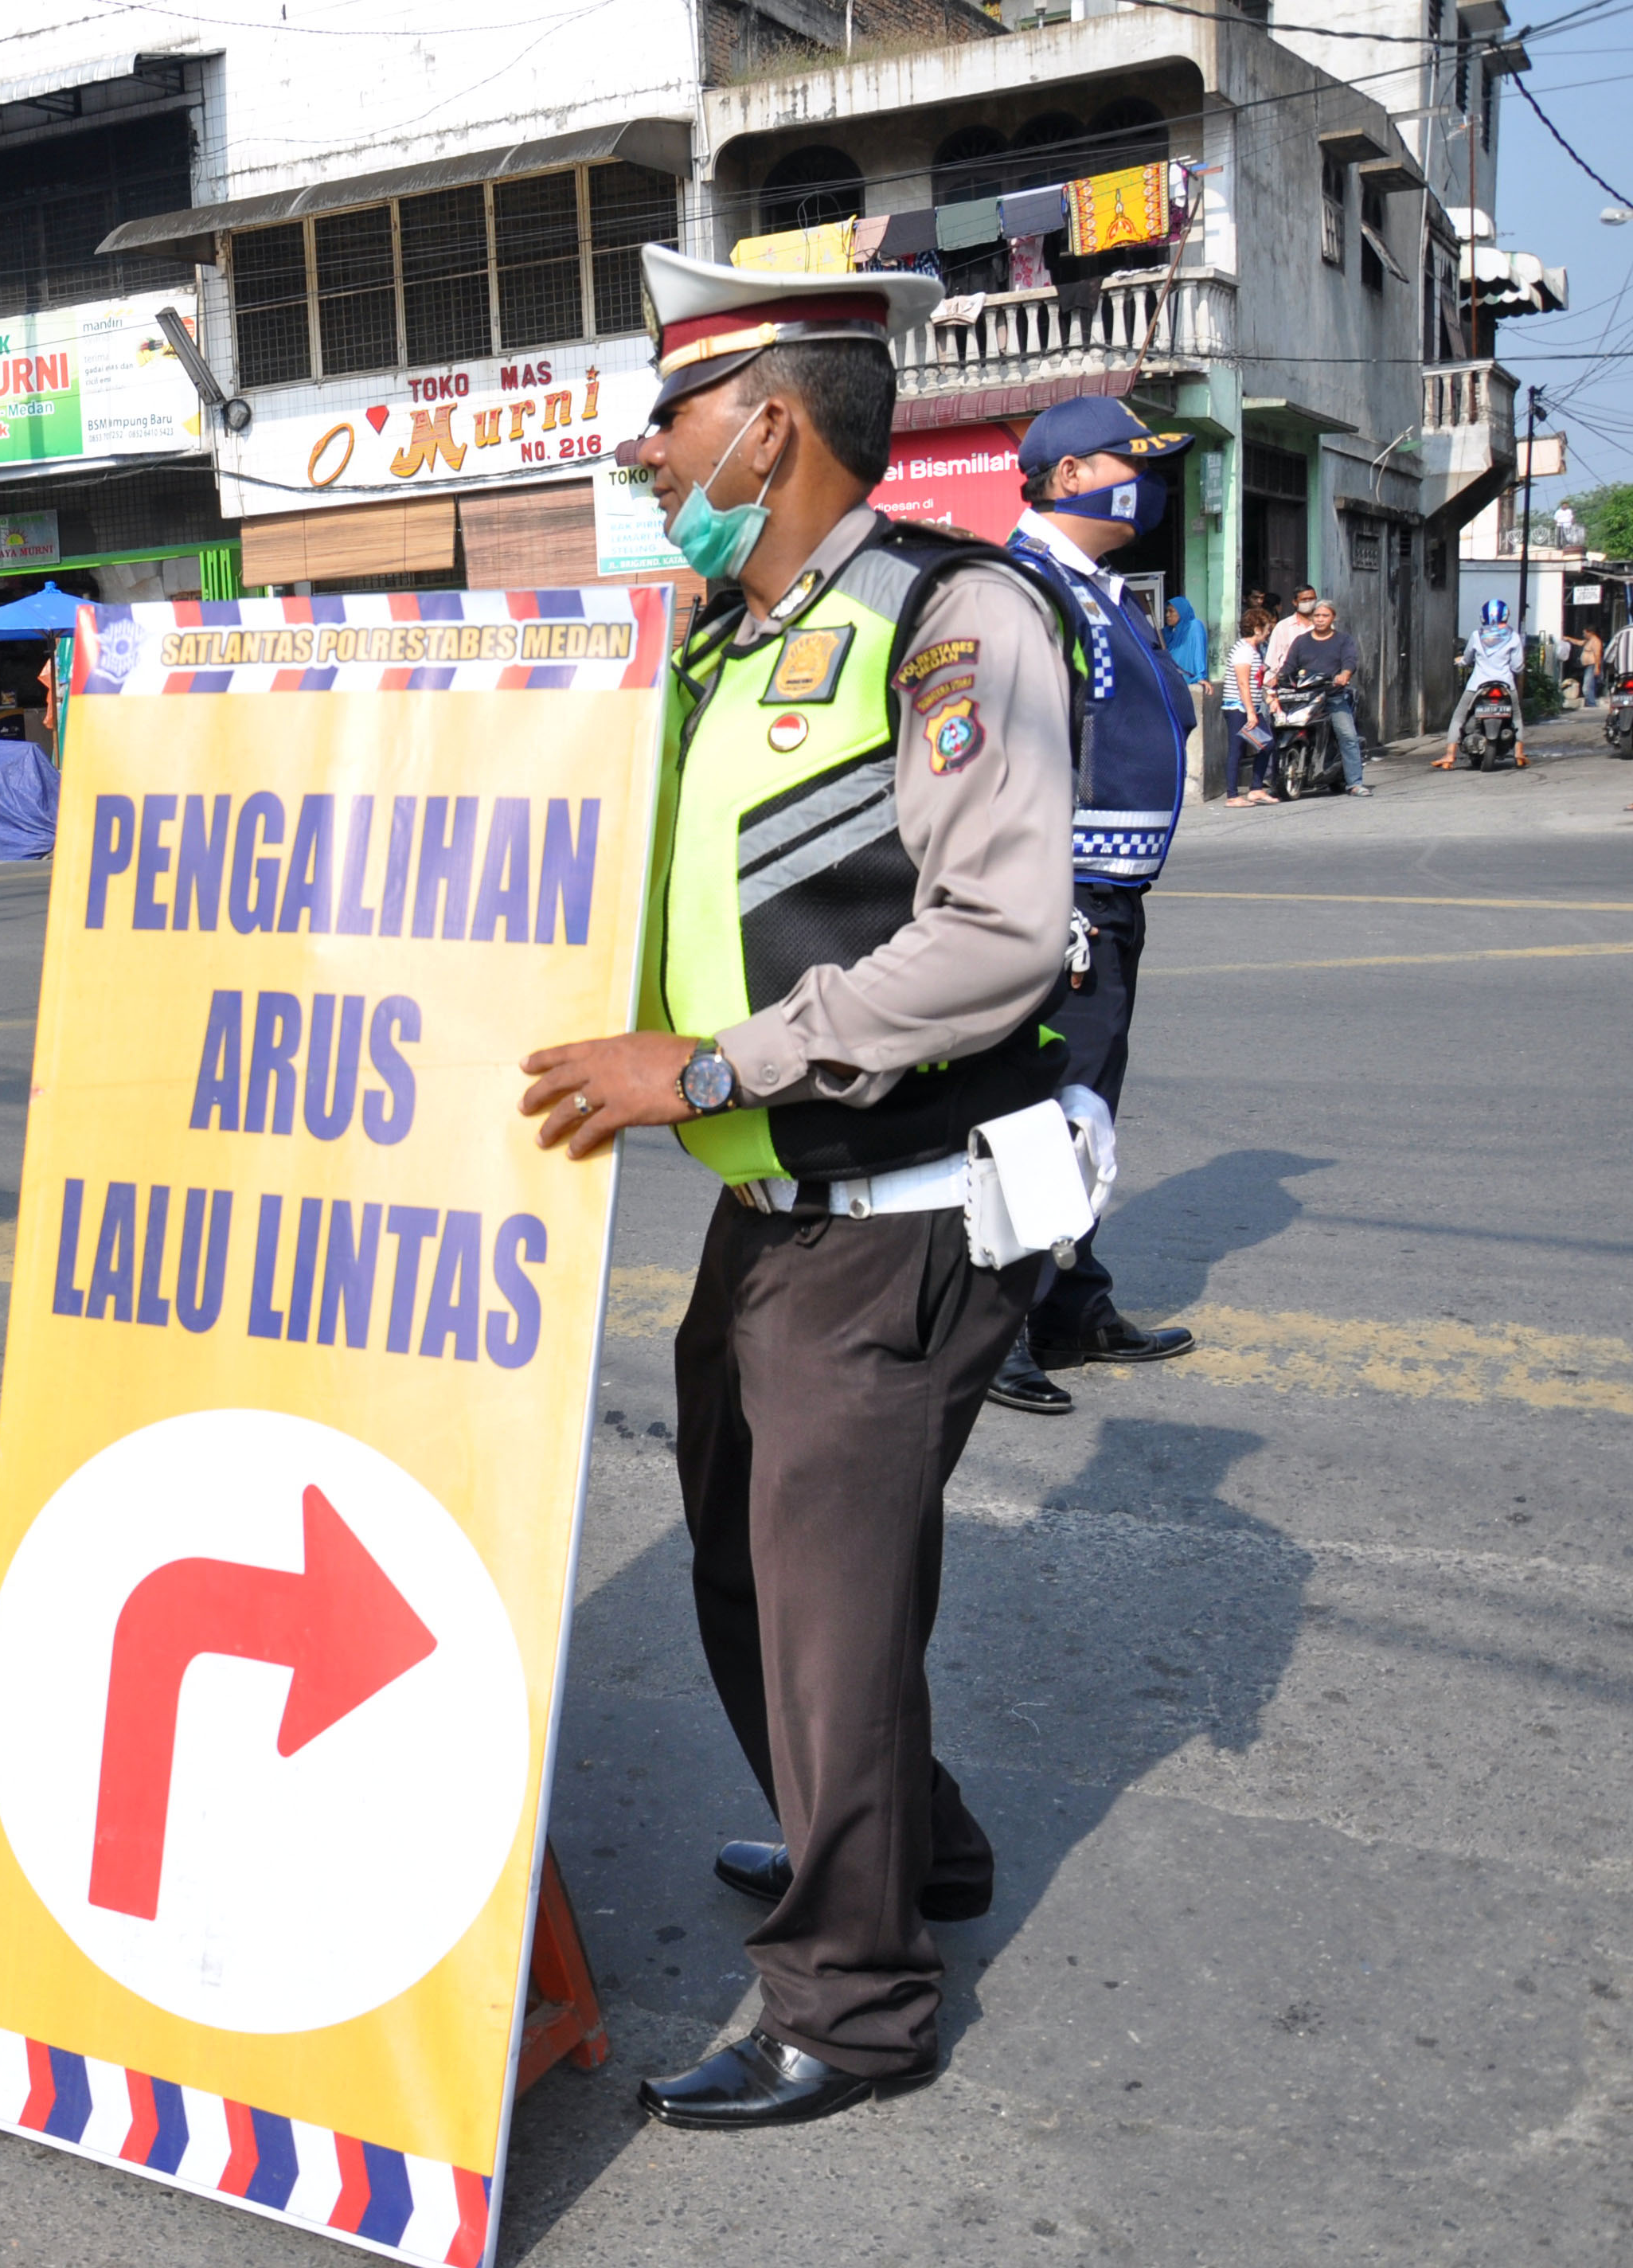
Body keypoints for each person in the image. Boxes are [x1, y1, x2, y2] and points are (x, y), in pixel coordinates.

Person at [522, 244, 1075, 2133]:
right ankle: (896, 1839)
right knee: (749, 1576)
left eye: (664, 421)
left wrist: (697, 1067)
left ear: (765, 424)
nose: (639, 458)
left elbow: (1000, 933)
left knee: (826, 1613)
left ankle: (849, 2001)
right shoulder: (717, 645)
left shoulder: (948, 621)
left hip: (894, 1208)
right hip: (764, 1217)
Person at [986, 396, 1208, 1418]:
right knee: (1042, 1115)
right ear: (1069, 476)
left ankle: (1072, 1307)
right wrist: (1039, 893)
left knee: (1087, 1108)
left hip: (1110, 894)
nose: (1151, 481)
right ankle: (995, 1330)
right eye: (1135, 461)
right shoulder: (1024, 588)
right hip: (1059, 894)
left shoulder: (1094, 589)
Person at [1273, 599, 1370, 792]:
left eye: (1325, 616)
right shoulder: (1301, 641)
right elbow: (1289, 666)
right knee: (1276, 731)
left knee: (1347, 736)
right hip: (1304, 698)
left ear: (1333, 617)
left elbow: (1350, 661)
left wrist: (1344, 675)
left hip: (1333, 697)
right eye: (1317, 616)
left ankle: (1355, 783)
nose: (1320, 619)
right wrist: (1278, 678)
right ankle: (1274, 781)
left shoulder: (1343, 640)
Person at [1441, 599, 1522, 765]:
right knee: (1517, 716)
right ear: (1506, 616)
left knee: (1459, 715)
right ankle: (1520, 754)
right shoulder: (1513, 636)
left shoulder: (1477, 635)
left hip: (1478, 684)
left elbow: (1468, 658)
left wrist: (1460, 662)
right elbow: (1518, 666)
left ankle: (1449, 755)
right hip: (1506, 684)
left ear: (1483, 617)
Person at [1220, 601, 1279, 807]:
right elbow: (1243, 682)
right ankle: (1232, 795)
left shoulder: (1255, 650)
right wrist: (1251, 713)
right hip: (1238, 708)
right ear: (1257, 629)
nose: (1268, 633)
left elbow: (1255, 681)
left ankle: (1256, 789)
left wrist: (1268, 698)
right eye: (1267, 629)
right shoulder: (1243, 651)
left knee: (1267, 744)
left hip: (1250, 706)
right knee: (1236, 750)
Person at [1264, 584, 1318, 682]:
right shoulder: (1283, 627)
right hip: (1288, 682)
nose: (1308, 603)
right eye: (1304, 600)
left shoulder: (1322, 626)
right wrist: (1269, 684)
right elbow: (1272, 659)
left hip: (1316, 681)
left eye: (1311, 599)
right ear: (1295, 602)